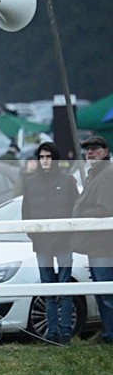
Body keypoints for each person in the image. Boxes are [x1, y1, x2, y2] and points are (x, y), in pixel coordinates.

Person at [21, 142, 79, 344]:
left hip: (64, 242)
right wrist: (33, 235)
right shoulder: (30, 183)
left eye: (48, 156)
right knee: (47, 288)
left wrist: (70, 236)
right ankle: (51, 332)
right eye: (42, 156)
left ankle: (65, 332)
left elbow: (76, 209)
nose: (45, 160)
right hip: (42, 244)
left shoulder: (67, 181)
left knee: (65, 287)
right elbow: (26, 212)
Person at [72, 135, 113, 345]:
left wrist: (81, 213)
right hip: (98, 244)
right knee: (102, 292)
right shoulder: (95, 174)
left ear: (105, 151)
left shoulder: (107, 174)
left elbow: (107, 209)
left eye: (95, 149)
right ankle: (107, 332)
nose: (90, 152)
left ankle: (110, 334)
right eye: (87, 149)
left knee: (106, 294)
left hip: (104, 245)